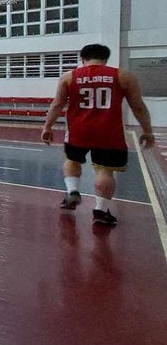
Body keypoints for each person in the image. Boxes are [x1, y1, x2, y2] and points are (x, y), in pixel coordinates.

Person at [42, 43, 155, 225]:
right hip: (108, 132)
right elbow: (138, 106)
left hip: (78, 130)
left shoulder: (69, 77)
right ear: (105, 59)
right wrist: (147, 131)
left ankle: (72, 191)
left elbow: (57, 105)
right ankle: (100, 211)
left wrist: (47, 127)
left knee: (72, 161)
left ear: (82, 59)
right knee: (105, 171)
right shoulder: (123, 76)